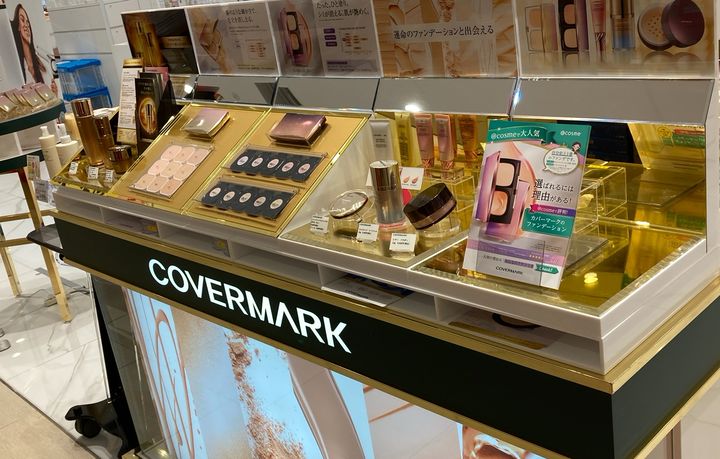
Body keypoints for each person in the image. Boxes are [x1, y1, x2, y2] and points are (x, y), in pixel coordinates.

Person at [10, 3, 46, 84]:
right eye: (22, 20)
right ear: (18, 27)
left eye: (27, 22)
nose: (26, 25)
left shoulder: (42, 65)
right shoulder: (19, 69)